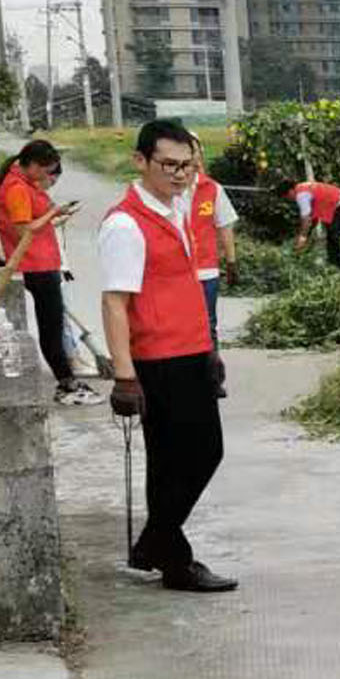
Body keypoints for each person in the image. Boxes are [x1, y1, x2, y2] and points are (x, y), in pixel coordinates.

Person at [98, 120, 236, 594]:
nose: (180, 176)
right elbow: (115, 302)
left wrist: (210, 349)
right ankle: (162, 545)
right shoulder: (124, 224)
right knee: (200, 453)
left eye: (187, 167)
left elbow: (185, 286)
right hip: (159, 359)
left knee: (172, 461)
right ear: (141, 161)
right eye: (169, 166)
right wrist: (124, 376)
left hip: (190, 350)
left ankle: (164, 555)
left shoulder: (175, 208)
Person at [0, 139, 99, 406]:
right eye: (47, 170)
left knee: (53, 324)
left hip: (43, 261)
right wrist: (53, 211)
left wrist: (56, 217)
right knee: (51, 327)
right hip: (35, 264)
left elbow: (33, 224)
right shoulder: (16, 188)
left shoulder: (25, 184)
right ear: (35, 165)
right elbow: (23, 230)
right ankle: (66, 384)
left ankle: (67, 380)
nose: (48, 176)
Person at [184, 148, 239, 342]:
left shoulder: (212, 189)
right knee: (181, 327)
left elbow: (225, 226)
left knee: (208, 325)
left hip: (206, 270)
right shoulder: (166, 189)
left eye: (195, 151)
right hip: (176, 273)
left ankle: (211, 370)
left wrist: (231, 262)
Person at [292, 177, 340, 268]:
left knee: (333, 233)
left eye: (288, 196)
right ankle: (331, 262)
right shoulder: (302, 187)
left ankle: (337, 266)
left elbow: (306, 219)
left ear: (290, 191)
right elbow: (312, 219)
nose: (291, 199)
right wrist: (306, 236)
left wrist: (303, 237)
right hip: (336, 203)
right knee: (330, 233)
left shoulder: (301, 195)